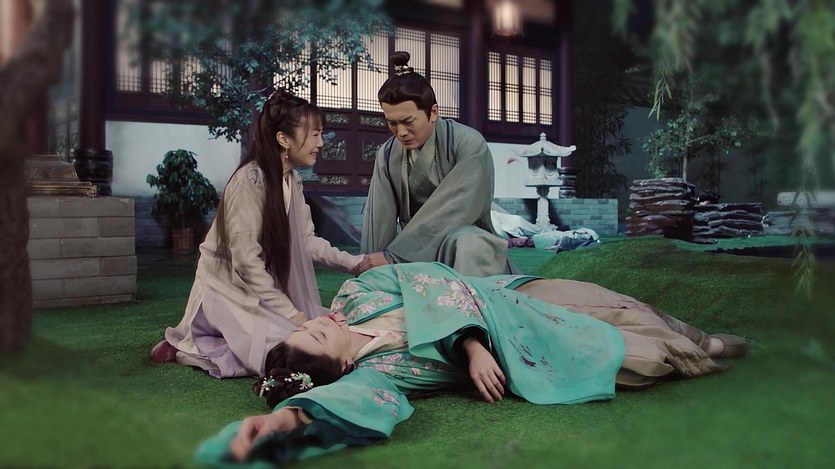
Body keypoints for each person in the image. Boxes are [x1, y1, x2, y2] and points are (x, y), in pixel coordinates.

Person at [194, 262, 749, 465]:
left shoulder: (357, 294)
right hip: (524, 351)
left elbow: (429, 276)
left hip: (503, 298)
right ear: (337, 367)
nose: (322, 321)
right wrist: (286, 418)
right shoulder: (375, 374)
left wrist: (470, 345)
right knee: (630, 355)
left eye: (311, 323)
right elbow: (351, 401)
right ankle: (699, 353)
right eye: (318, 335)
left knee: (606, 303)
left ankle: (704, 339)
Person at [149, 90, 367, 378]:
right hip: (227, 286)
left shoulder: (292, 180)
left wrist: (355, 263)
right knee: (285, 349)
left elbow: (306, 242)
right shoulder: (249, 180)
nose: (321, 143)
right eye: (314, 135)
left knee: (320, 333)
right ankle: (190, 341)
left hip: (260, 285)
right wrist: (289, 312)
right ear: (284, 139)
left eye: (321, 134)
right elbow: (245, 261)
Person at [356, 51, 514, 277]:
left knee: (469, 242)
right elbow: (379, 217)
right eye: (392, 123)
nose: (401, 132)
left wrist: (396, 256)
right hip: (408, 250)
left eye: (408, 122)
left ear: (433, 112)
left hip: (460, 245)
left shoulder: (467, 143)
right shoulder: (388, 153)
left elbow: (457, 208)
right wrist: (371, 263)